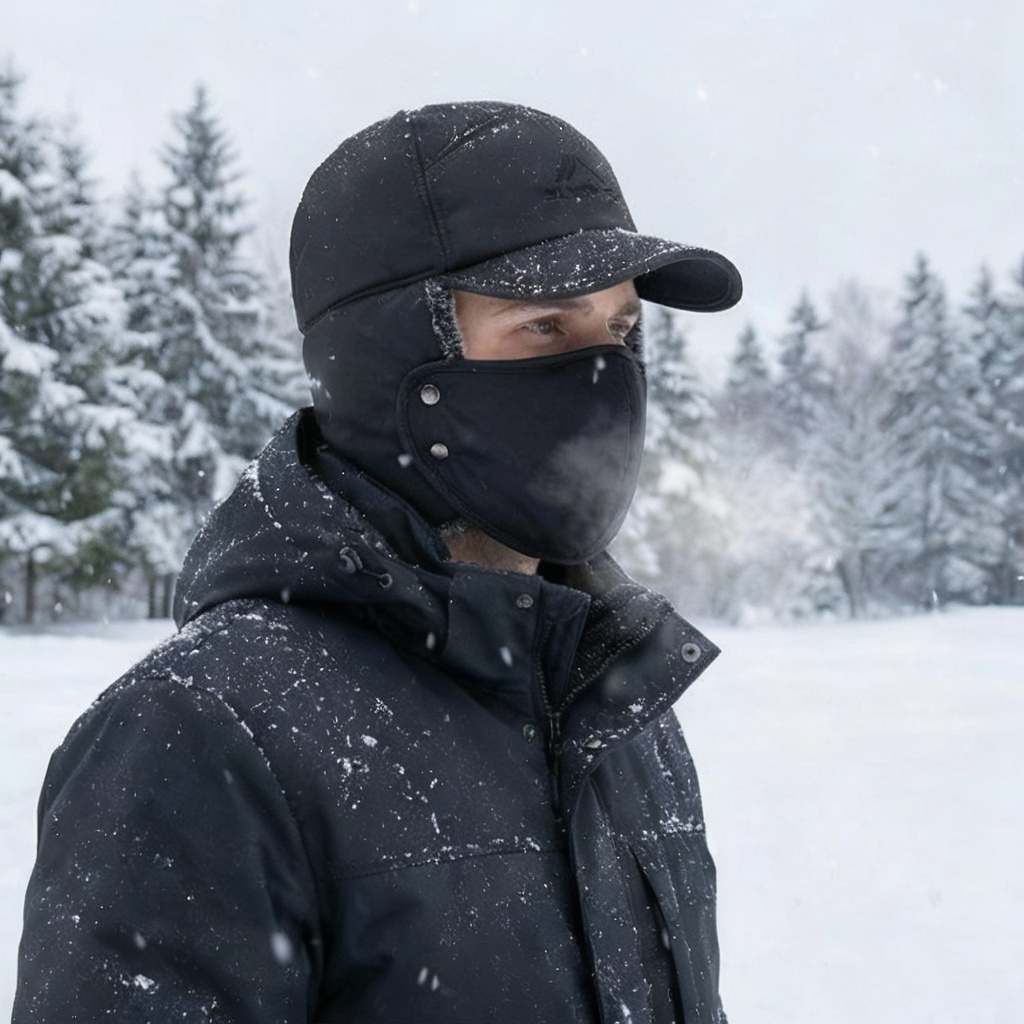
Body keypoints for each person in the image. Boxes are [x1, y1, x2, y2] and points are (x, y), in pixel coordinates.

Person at [13, 101, 742, 1023]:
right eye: (548, 329)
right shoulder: (199, 737)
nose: (607, 379)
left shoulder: (609, 696)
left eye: (622, 332)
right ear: (388, 357)